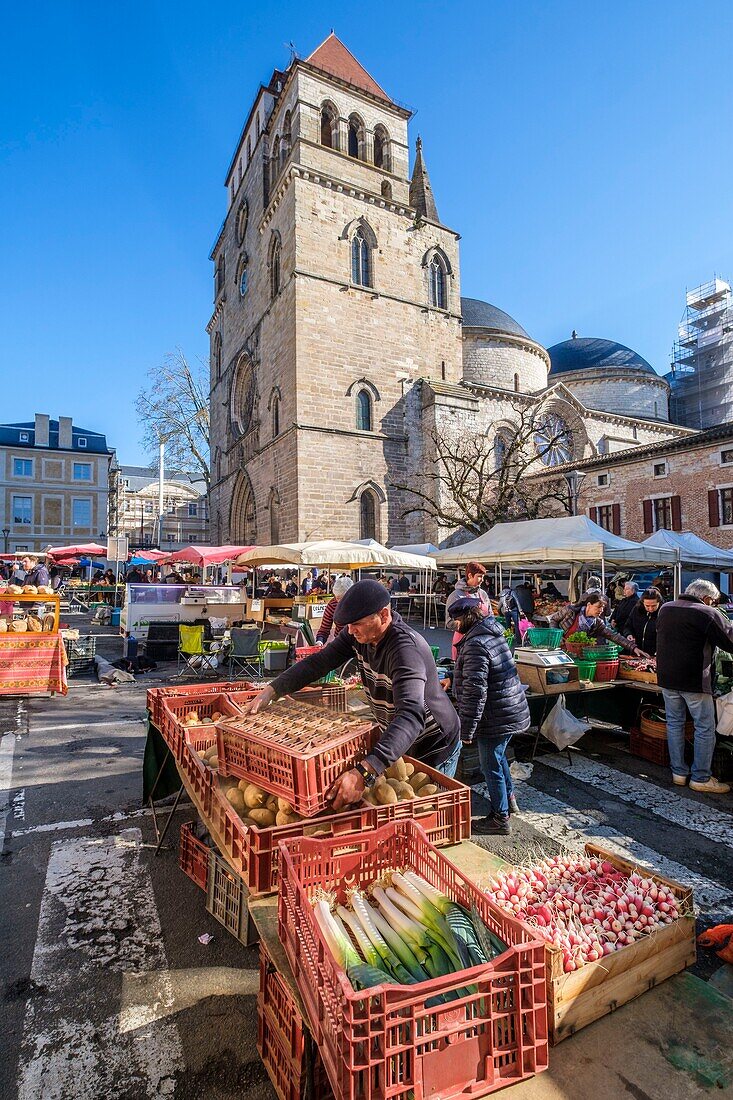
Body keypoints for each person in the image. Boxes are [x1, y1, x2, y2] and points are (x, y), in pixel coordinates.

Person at [241, 579, 461, 806]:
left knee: (422, 811)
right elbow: (320, 662)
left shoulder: (405, 651)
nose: (350, 630)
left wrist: (365, 771)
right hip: (401, 741)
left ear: (384, 616)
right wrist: (273, 689)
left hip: (433, 744)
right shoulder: (358, 635)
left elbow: (410, 716)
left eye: (356, 623)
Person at [451, 596, 529, 835]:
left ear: (466, 618)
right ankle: (510, 800)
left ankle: (500, 818)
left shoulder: (476, 643)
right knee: (499, 756)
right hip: (507, 709)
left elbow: (476, 691)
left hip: (495, 714)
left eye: (456, 620)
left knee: (491, 765)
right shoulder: (491, 633)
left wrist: (467, 730)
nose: (454, 625)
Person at [656, 579, 733, 794]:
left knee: (674, 724)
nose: (714, 604)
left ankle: (678, 773)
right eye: (714, 601)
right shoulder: (706, 612)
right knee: (705, 728)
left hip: (667, 678)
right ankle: (701, 777)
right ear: (707, 598)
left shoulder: (666, 608)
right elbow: (730, 640)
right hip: (694, 680)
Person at [550, 594, 644, 654]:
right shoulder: (570, 611)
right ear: (589, 605)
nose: (601, 610)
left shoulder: (597, 623)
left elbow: (613, 636)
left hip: (578, 653)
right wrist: (557, 635)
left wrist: (632, 647)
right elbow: (553, 619)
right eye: (598, 607)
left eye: (603, 608)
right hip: (560, 649)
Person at [446, 561, 492, 657]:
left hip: (484, 641)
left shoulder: (483, 594)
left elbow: (490, 616)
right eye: (479, 576)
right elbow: (449, 622)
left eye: (483, 577)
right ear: (470, 575)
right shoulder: (456, 595)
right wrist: (468, 627)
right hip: (463, 643)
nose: (482, 580)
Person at [316, 575, 354, 645]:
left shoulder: (359, 603)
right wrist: (319, 641)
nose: (339, 601)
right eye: (337, 598)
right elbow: (324, 630)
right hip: (341, 642)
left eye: (343, 598)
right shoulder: (332, 605)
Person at [626, 587, 662, 657]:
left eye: (654, 606)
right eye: (647, 606)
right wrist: (628, 634)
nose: (650, 609)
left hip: (655, 654)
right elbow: (628, 626)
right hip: (637, 652)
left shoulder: (663, 613)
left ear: (659, 602)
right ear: (643, 603)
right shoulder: (637, 610)